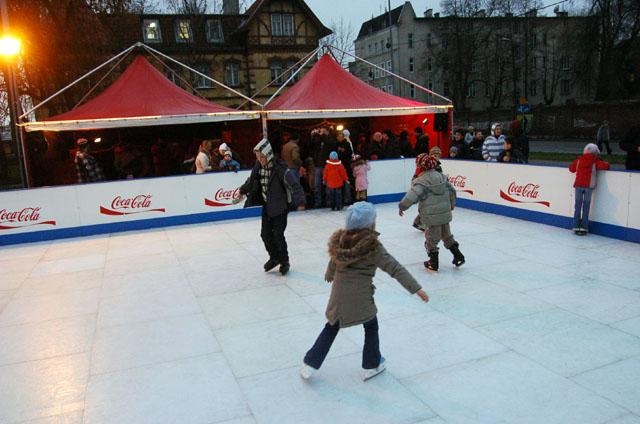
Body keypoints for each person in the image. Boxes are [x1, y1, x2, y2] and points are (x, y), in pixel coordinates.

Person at [300, 202, 429, 381]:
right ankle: (372, 364)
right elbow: (395, 268)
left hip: (339, 296)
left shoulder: (341, 239)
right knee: (370, 325)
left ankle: (309, 364)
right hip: (361, 296)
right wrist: (417, 289)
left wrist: (330, 273)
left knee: (331, 326)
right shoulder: (372, 246)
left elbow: (335, 258)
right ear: (370, 224)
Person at [236, 138, 306, 275]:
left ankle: (284, 261)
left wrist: (301, 201)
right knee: (265, 235)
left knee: (278, 235)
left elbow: (295, 185)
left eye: (262, 157)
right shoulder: (258, 167)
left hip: (280, 207)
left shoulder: (280, 169)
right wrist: (242, 192)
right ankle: (274, 257)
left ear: (268, 155)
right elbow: (251, 181)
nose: (260, 159)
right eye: (258, 157)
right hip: (267, 207)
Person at [399, 154, 465, 272]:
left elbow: (411, 196)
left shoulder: (421, 181)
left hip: (431, 217)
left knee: (431, 240)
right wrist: (452, 204)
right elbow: (452, 191)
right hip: (444, 214)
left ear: (421, 166)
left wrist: (402, 207)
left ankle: (433, 263)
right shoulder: (442, 177)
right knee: (447, 235)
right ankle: (458, 256)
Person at [569, 143, 610, 235]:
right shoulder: (595, 161)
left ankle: (575, 225)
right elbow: (605, 166)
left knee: (578, 206)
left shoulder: (579, 159)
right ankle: (584, 227)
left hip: (578, 185)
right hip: (589, 186)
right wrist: (607, 163)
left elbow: (571, 169)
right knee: (586, 207)